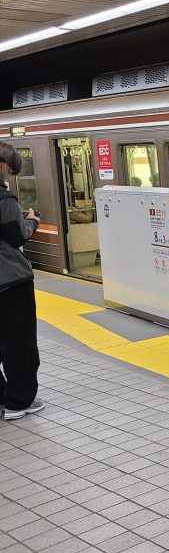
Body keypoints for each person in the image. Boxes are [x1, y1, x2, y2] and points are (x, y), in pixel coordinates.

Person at [0, 143, 43, 420]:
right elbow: (16, 236)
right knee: (20, 342)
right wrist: (32, 220)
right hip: (10, 283)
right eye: (11, 169)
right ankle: (18, 402)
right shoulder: (4, 200)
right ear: (2, 165)